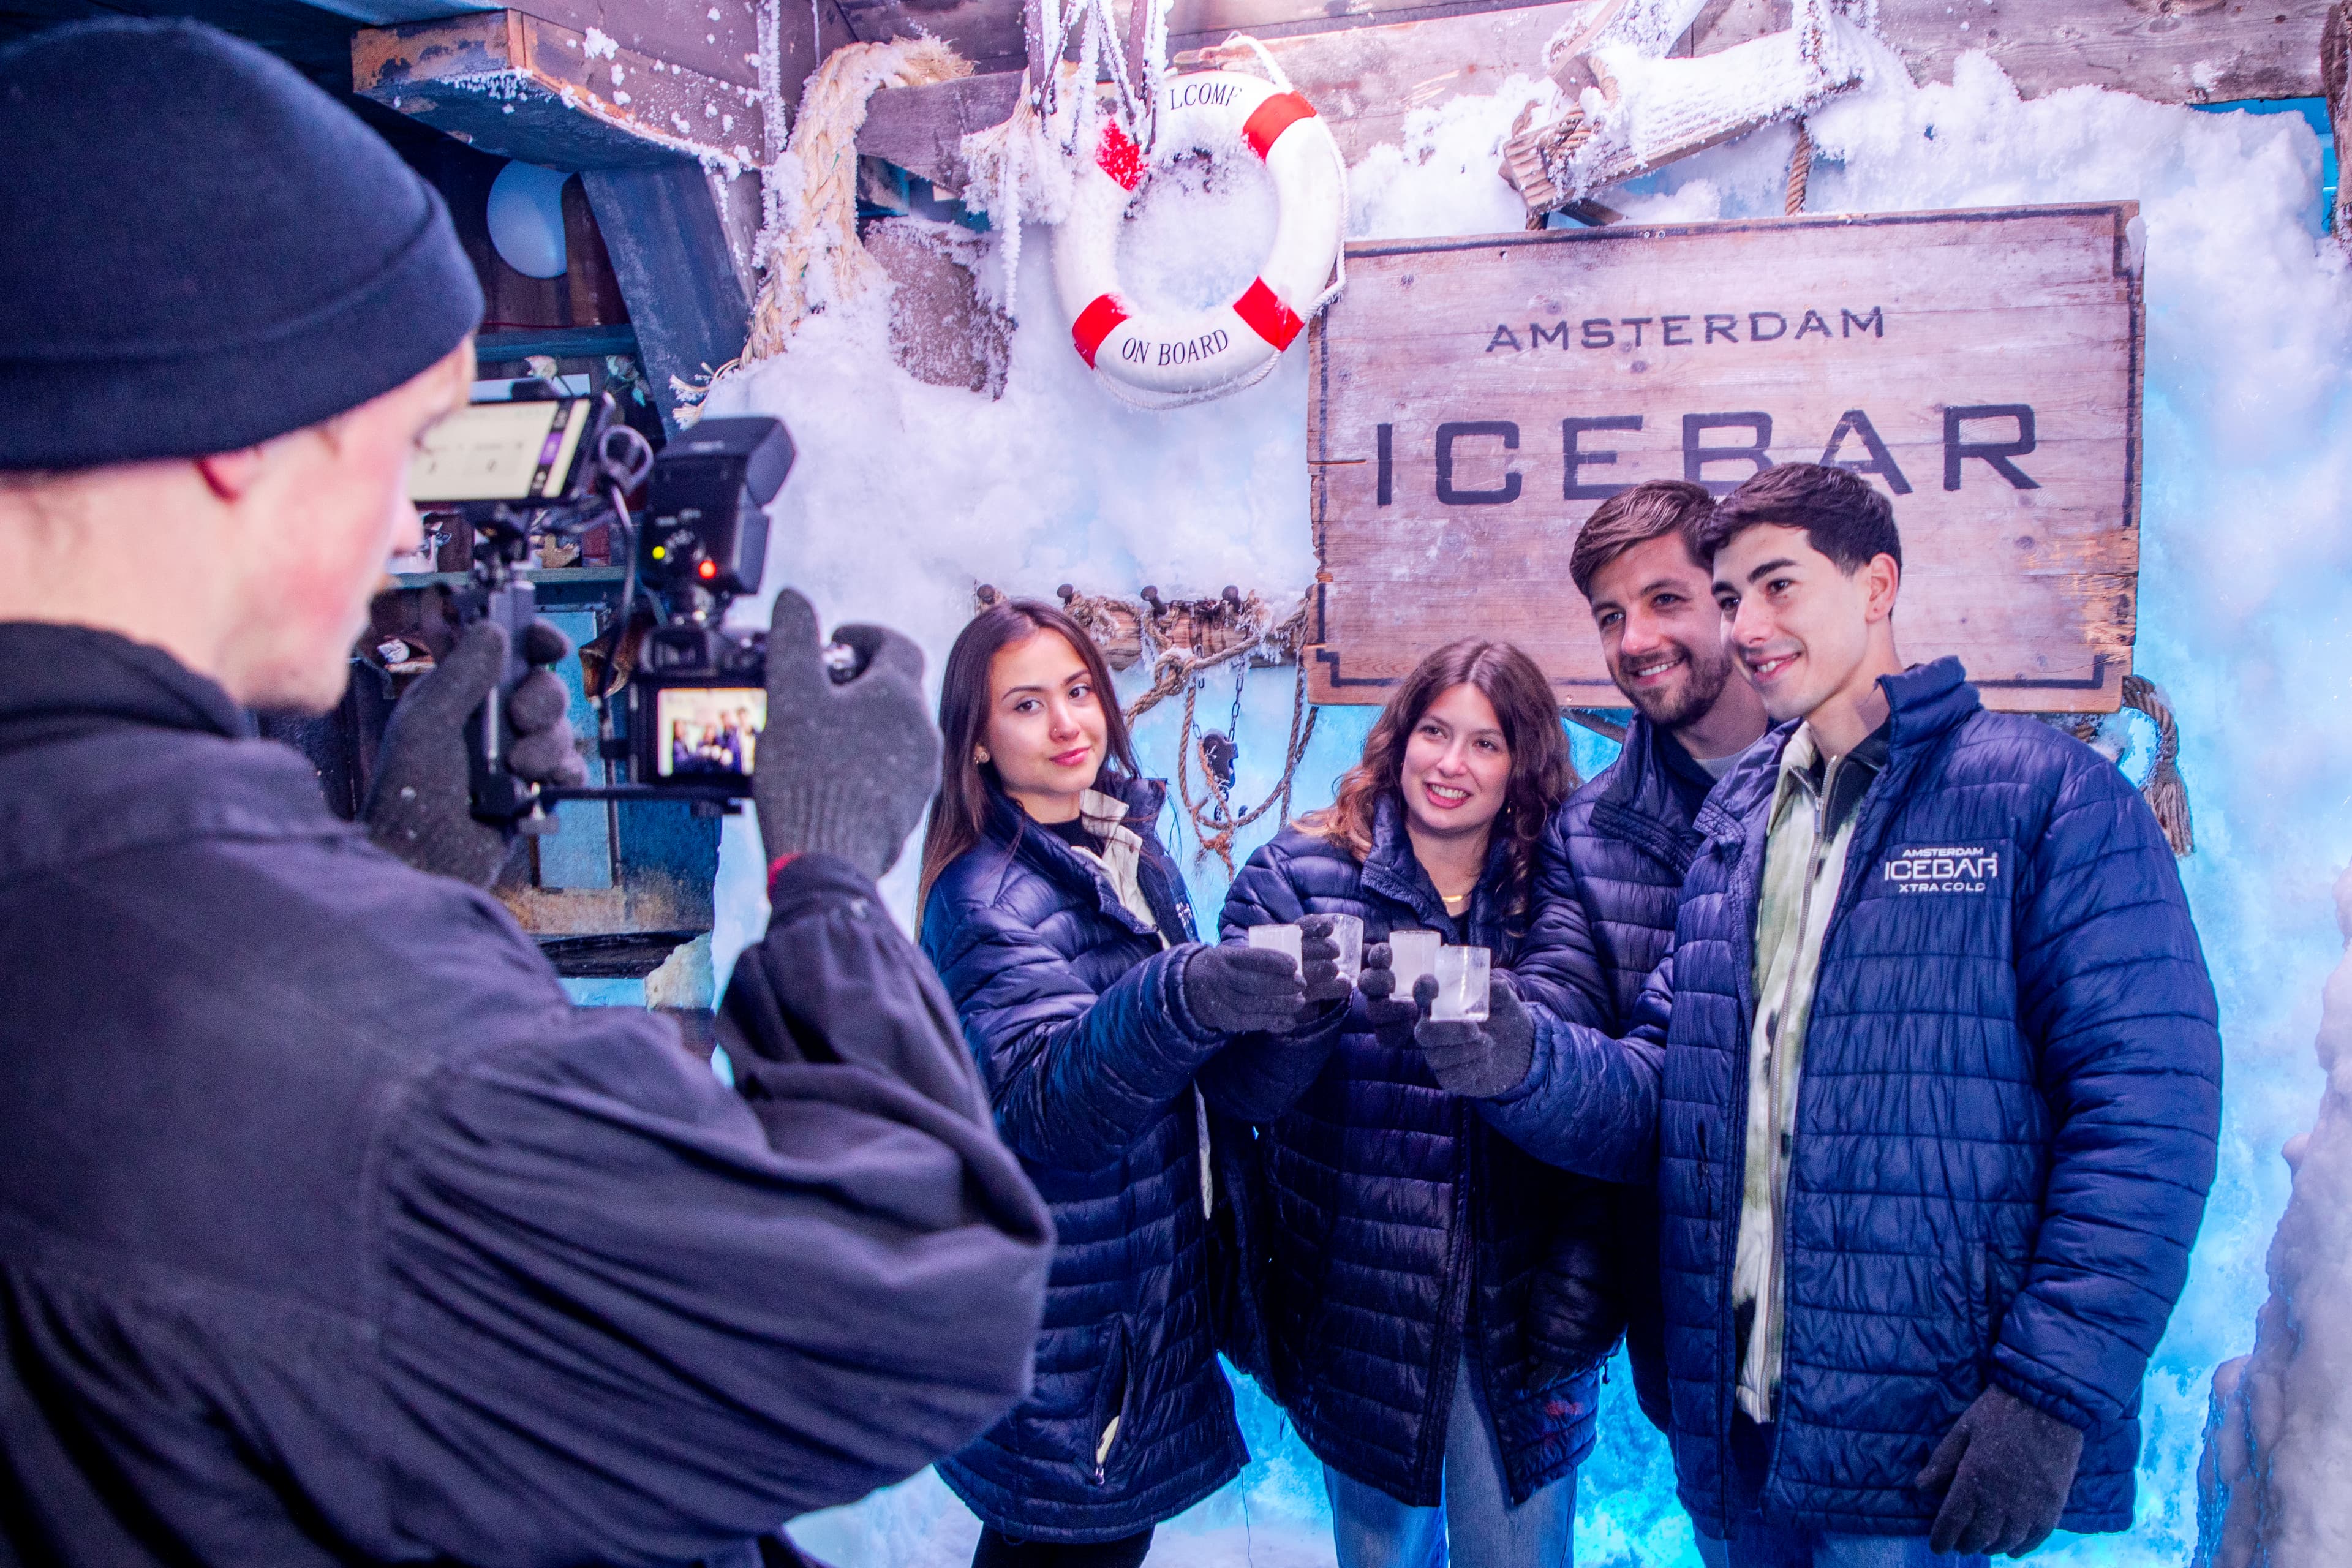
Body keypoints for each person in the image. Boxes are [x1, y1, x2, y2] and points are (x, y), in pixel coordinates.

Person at [0, 20, 1052, 1567]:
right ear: (248, 438)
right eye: (404, 444)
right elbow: (929, 1301)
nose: (405, 524)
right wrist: (828, 885)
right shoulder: (345, 1036)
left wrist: (408, 872)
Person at [1420, 464, 2224, 1564]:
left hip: (1920, 1430)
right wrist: (1524, 1062)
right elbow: (1669, 1089)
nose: (1749, 625)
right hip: (1738, 1428)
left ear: (1877, 584)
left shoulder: (2047, 796)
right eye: (1733, 596)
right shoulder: (1742, 821)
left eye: (1778, 586)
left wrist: (2052, 1389)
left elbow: (2147, 1115)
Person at [916, 598, 1347, 1568]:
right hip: (1068, 1328)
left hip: (1136, 1291)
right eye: (1027, 706)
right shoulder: (984, 897)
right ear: (976, 741)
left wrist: (1295, 1012)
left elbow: (1204, 1087)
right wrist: (1185, 991)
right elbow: (1047, 1109)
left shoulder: (1118, 849)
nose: (1068, 724)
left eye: (1078, 692)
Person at [1219, 638, 1611, 1568]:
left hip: (1517, 1310)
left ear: (1522, 763)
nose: (1451, 763)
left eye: (1485, 743)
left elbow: (1600, 1093)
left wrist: (1586, 1280)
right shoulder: (1296, 873)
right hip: (1362, 1302)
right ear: (1399, 737)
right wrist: (1296, 1023)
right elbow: (1235, 1091)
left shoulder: (1559, 890)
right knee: (1381, 1556)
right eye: (1435, 732)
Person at [1510, 480, 1771, 1434]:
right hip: (1689, 1326)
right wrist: (1507, 1044)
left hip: (1870, 1309)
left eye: (1666, 600)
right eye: (1611, 616)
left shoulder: (1851, 781)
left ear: (1733, 600)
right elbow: (1571, 1043)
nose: (1635, 640)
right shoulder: (1589, 833)